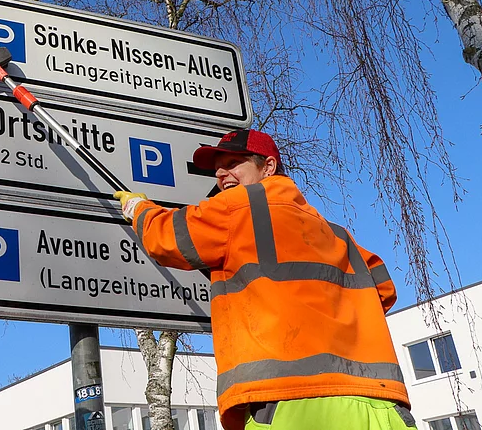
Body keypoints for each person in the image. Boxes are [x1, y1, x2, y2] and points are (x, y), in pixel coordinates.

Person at [114, 129, 413, 430]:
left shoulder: (237, 207)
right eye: (218, 168)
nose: (220, 174)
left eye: (233, 163)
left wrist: (139, 209)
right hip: (381, 405)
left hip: (291, 404)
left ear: (268, 167)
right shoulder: (338, 235)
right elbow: (384, 291)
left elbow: (167, 237)